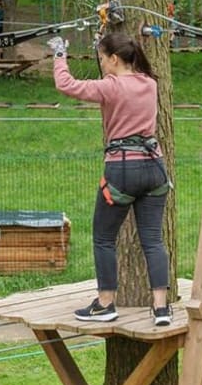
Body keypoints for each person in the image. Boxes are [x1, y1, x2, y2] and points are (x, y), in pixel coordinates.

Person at [49, 32, 173, 326]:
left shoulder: (111, 86)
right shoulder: (150, 83)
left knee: (104, 237)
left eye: (102, 58)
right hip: (155, 168)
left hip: (122, 170)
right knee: (153, 240)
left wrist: (58, 54)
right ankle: (161, 308)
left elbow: (66, 85)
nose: (101, 64)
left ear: (114, 59)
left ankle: (105, 304)